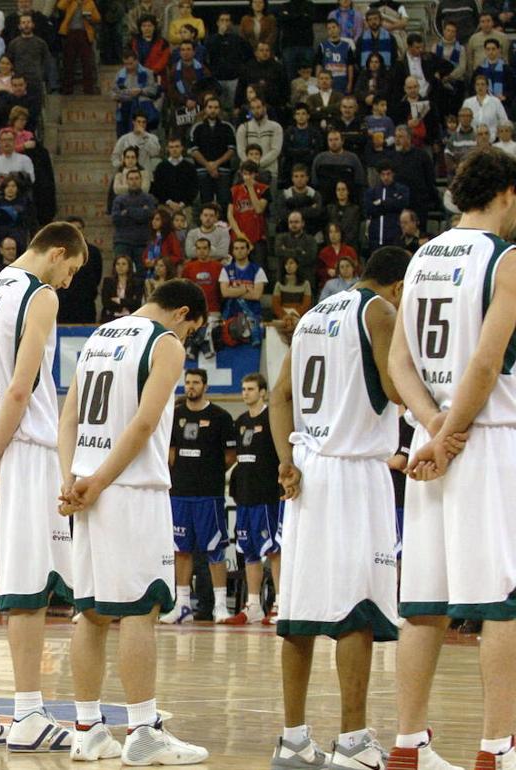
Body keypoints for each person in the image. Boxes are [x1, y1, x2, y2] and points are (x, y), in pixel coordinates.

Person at [388, 148, 516, 769]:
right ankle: (497, 747)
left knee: (424, 606)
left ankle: (409, 743)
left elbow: (399, 364)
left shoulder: (419, 258)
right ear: (508, 194)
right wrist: (452, 433)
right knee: (503, 602)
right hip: (484, 442)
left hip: (429, 445)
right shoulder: (506, 259)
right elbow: (486, 364)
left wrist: (431, 427)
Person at [269, 245, 411, 768]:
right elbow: (397, 387)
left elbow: (280, 395)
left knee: (300, 614)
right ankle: (353, 742)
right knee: (359, 611)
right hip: (354, 470)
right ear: (397, 286)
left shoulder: (312, 316)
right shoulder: (381, 311)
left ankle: (293, 742)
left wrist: (286, 459)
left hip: (307, 472)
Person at [61, 278, 210, 765]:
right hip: (127, 488)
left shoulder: (99, 337)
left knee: (92, 612)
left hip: (85, 486)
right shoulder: (163, 342)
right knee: (139, 611)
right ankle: (143, 729)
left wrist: (73, 479)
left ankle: (87, 729)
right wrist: (101, 481)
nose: (187, 340)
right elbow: (144, 424)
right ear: (182, 313)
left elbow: (69, 418)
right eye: (192, 330)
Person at [0, 223, 85, 750]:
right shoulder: (40, 294)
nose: (70, 282)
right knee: (27, 586)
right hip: (23, 453)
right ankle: (28, 714)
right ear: (56, 254)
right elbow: (18, 389)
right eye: (71, 270)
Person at [159, 368, 237, 626]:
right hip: (180, 493)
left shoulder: (220, 417)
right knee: (181, 550)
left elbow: (230, 456)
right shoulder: (176, 415)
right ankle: (182, 605)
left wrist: (209, 472)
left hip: (209, 495)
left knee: (214, 549)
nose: (190, 387)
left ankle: (220, 606)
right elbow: (169, 453)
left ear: (206, 386)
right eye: (188, 382)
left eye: (195, 383)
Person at [216, 373, 284, 629]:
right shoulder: (240, 422)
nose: (245, 393)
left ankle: (280, 602)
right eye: (243, 389)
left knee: (274, 550)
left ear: (263, 392)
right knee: (249, 551)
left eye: (251, 389)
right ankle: (254, 605)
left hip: (267, 495)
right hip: (244, 495)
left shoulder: (273, 418)